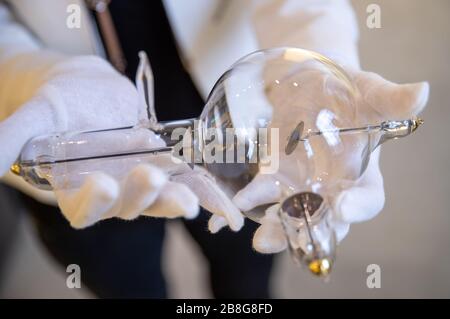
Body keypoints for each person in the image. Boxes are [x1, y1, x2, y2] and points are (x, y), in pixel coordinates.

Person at [0, 0, 428, 298]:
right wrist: (28, 80)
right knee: (126, 283)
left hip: (244, 136)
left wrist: (320, 57)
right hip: (82, 145)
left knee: (244, 272)